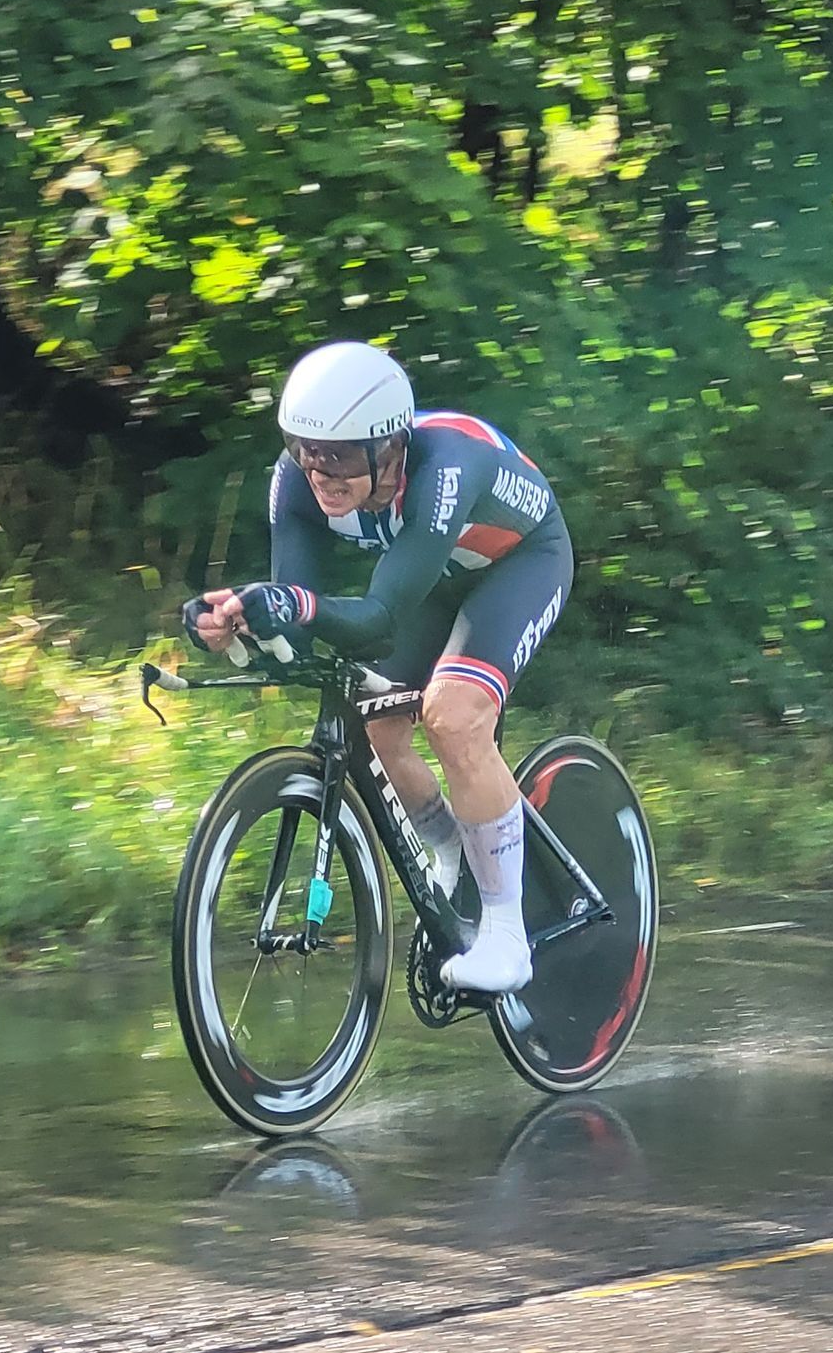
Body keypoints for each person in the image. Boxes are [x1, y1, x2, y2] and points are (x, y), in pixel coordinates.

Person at [185, 341, 574, 995]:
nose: (319, 470)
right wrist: (233, 620)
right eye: (303, 448)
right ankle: (451, 849)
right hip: (439, 574)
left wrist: (293, 606)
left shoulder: (444, 466)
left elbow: (380, 617)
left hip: (522, 564)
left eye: (338, 455)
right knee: (375, 724)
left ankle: (508, 938)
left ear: (389, 447)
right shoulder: (296, 480)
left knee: (453, 717)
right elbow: (298, 614)